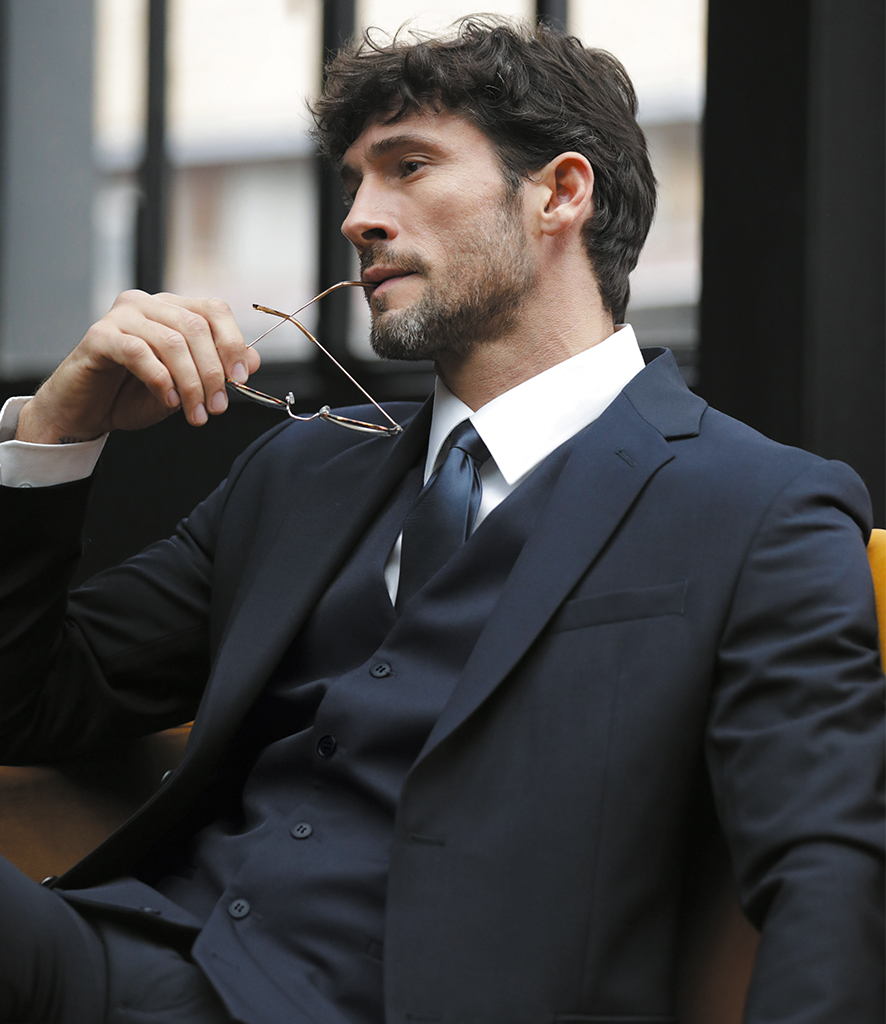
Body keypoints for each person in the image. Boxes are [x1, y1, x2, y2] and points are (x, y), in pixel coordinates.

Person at [0, 16, 882, 1024]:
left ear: (561, 192)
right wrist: (53, 435)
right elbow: (29, 701)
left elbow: (824, 866)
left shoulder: (758, 506)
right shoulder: (300, 471)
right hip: (131, 960)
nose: (357, 218)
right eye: (352, 184)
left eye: (407, 167)